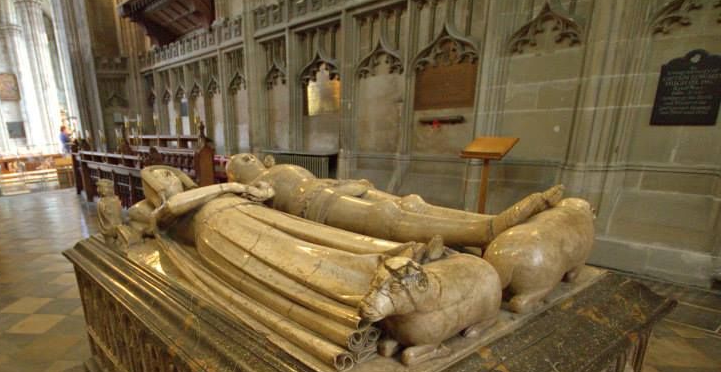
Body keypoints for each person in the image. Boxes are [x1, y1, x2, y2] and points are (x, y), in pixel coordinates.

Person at [225, 154, 563, 247]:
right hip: (318, 206)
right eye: (239, 162)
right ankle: (484, 231)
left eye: (246, 156)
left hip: (333, 190)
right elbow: (266, 207)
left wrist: (349, 183)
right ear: (235, 177)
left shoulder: (275, 167)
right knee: (386, 217)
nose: (246, 159)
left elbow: (319, 179)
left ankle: (476, 225)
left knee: (411, 202)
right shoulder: (256, 186)